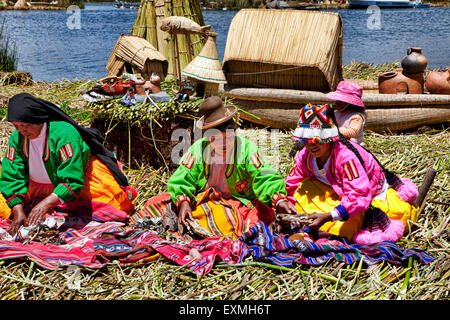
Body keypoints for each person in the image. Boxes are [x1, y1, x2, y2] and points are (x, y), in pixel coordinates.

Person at [0, 93, 136, 236]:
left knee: (112, 209)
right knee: (5, 208)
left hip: (80, 185)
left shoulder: (64, 134)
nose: (22, 130)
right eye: (16, 126)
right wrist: (18, 210)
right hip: (35, 188)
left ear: (38, 120)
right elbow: (12, 173)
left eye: (26, 125)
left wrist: (45, 204)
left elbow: (72, 179)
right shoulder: (18, 137)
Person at [286, 104, 419, 244]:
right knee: (301, 194)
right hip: (332, 190)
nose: (312, 145)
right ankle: (311, 231)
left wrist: (328, 216)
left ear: (330, 137)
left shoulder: (346, 159)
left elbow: (359, 196)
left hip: (363, 195)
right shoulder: (305, 156)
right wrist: (286, 206)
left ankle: (323, 234)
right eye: (306, 140)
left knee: (345, 229)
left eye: (318, 140)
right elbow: (292, 182)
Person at [167, 96, 296, 239]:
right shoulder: (198, 150)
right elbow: (183, 176)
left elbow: (264, 174)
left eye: (227, 137)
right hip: (207, 200)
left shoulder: (246, 149)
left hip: (240, 201)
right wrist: (184, 202)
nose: (223, 143)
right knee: (162, 204)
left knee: (251, 222)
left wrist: (279, 199)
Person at [325, 80, 366, 146]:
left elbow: (353, 133)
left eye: (341, 101)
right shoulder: (336, 113)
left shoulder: (356, 117)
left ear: (350, 104)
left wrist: (333, 129)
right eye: (337, 100)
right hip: (338, 144)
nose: (337, 103)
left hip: (353, 147)